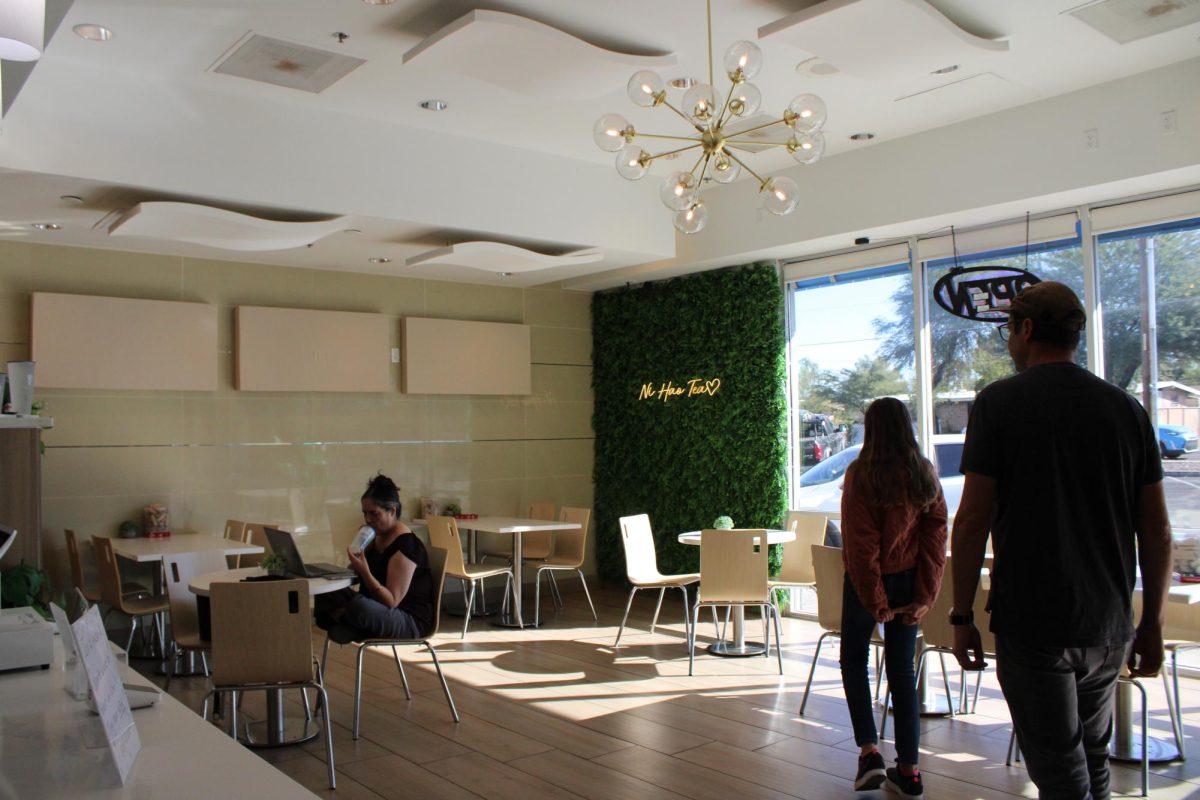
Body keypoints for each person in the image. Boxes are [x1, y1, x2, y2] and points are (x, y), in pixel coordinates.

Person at [950, 281, 1172, 799]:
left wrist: (962, 617)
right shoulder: (1126, 410)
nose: (1009, 341)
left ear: (1027, 330)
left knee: (1057, 772)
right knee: (1091, 762)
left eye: (1008, 330)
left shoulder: (999, 403)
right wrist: (1152, 624)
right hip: (1108, 625)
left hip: (1033, 623)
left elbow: (972, 520)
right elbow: (1156, 530)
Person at [840, 396, 948, 798]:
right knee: (902, 671)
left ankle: (870, 753)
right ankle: (909, 771)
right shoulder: (923, 473)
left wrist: (875, 599)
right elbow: (936, 536)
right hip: (909, 582)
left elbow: (861, 545)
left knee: (854, 660)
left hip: (866, 586)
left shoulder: (860, 474)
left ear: (871, 429)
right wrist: (926, 594)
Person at [316, 474, 435, 644]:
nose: (368, 519)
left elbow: (392, 601)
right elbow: (353, 575)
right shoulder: (377, 537)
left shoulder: (406, 546)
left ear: (392, 511)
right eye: (365, 513)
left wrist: (365, 572)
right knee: (325, 589)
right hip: (377, 608)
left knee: (359, 606)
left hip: (407, 619)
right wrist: (358, 553)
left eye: (374, 514)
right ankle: (353, 625)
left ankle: (350, 624)